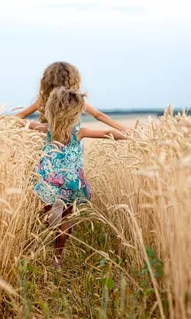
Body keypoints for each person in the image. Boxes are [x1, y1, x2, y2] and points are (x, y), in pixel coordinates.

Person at [18, 87, 128, 268]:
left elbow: (21, 124)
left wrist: (6, 122)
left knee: (50, 213)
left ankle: (52, 219)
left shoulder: (47, 130)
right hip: (71, 181)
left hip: (49, 179)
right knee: (66, 218)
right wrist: (129, 135)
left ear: (52, 111)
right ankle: (57, 258)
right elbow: (106, 134)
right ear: (75, 113)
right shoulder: (79, 132)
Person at [14, 61, 129, 133]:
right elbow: (98, 115)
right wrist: (124, 129)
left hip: (47, 145)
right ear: (73, 79)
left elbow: (18, 116)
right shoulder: (75, 100)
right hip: (73, 145)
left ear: (47, 81)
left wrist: (1, 123)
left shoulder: (44, 100)